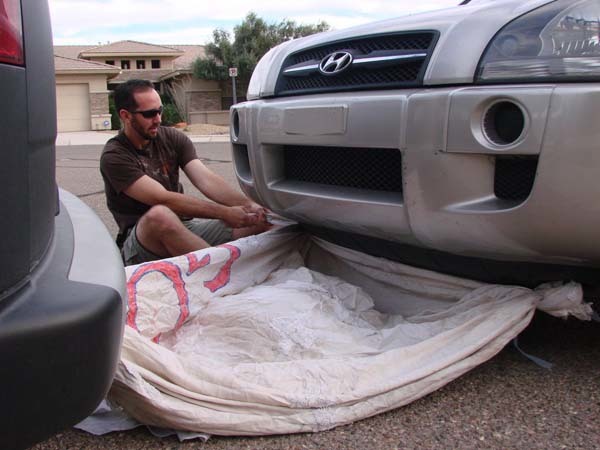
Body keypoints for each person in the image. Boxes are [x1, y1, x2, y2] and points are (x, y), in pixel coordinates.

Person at [100, 79, 270, 266]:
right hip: (143, 241)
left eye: (160, 111)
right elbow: (162, 198)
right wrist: (225, 213)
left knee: (261, 219)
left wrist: (248, 205)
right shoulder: (114, 156)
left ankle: (213, 267)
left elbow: (205, 179)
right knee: (160, 215)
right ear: (125, 116)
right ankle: (222, 277)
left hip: (184, 227)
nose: (158, 119)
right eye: (149, 114)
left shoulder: (171, 138)